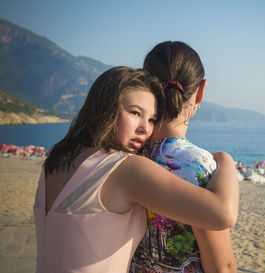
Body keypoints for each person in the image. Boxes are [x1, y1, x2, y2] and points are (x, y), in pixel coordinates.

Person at [33, 66, 239, 273]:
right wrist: (226, 160)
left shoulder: (56, 159)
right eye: (135, 113)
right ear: (105, 108)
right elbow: (222, 213)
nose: (145, 128)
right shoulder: (125, 168)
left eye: (151, 119)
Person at [132, 41, 237, 273]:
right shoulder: (199, 166)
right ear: (200, 91)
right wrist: (226, 160)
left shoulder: (126, 154)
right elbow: (223, 267)